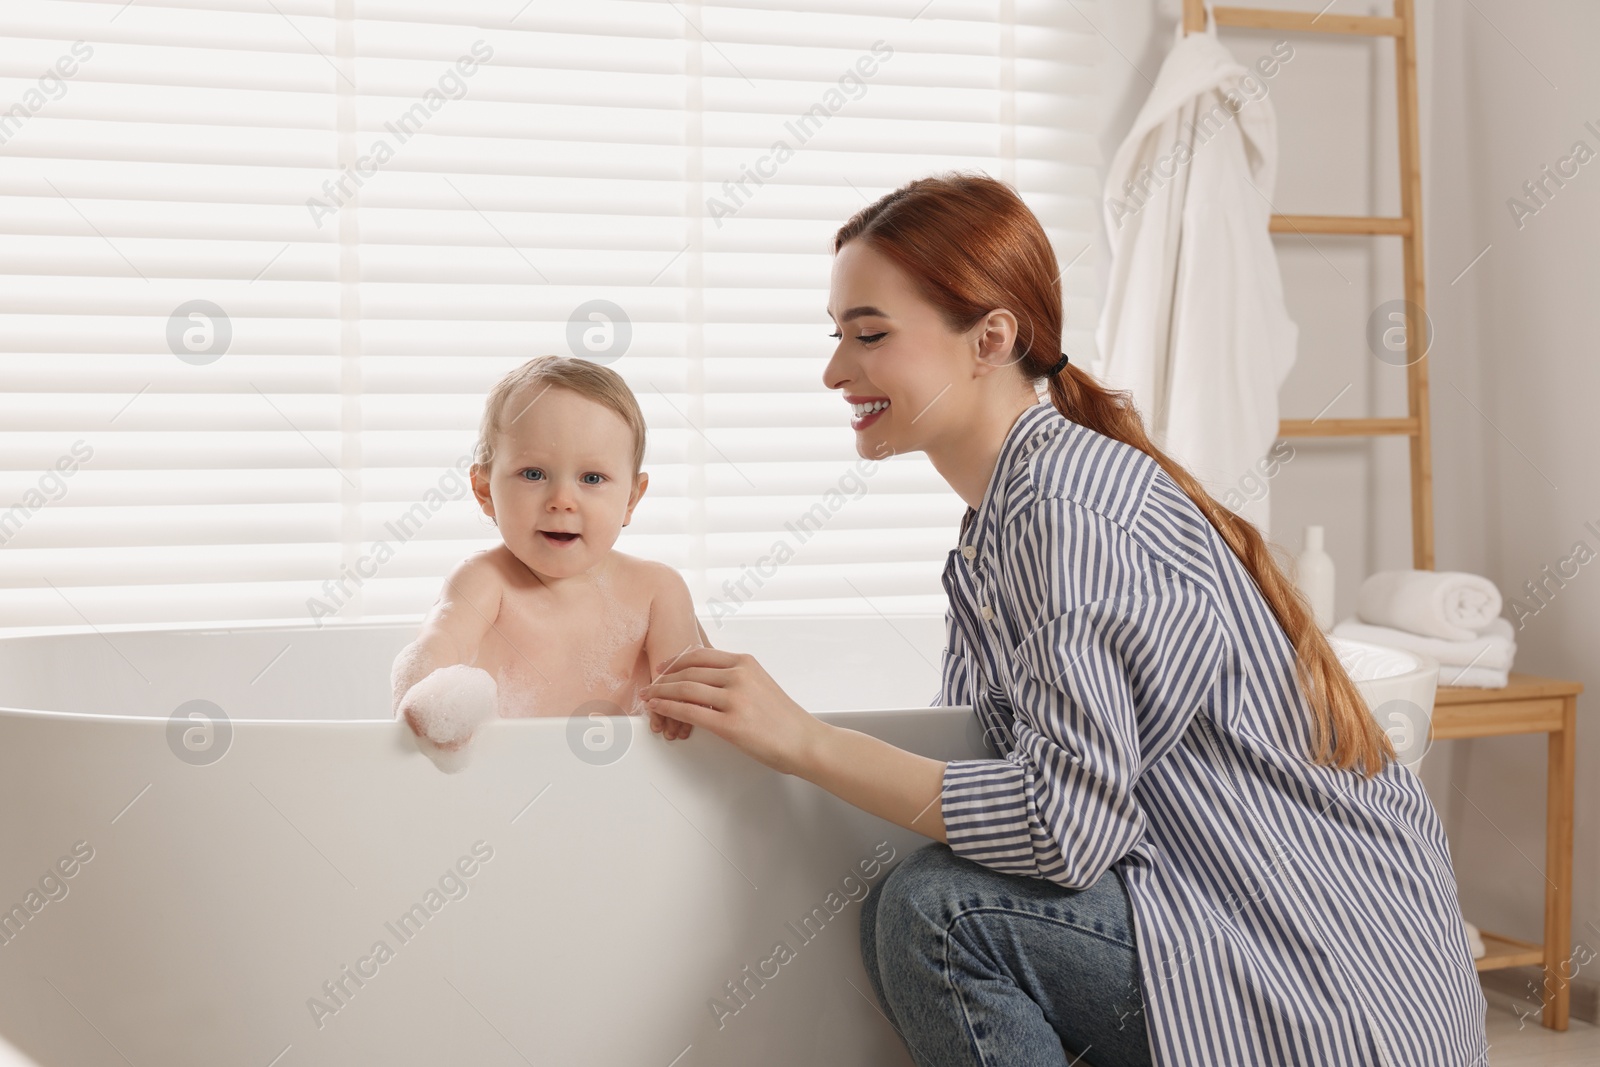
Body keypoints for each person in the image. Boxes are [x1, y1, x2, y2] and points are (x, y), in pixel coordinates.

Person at [638, 173, 1489, 1066]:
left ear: (992, 337)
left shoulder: (1060, 505)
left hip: (1326, 982)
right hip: (1263, 934)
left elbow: (1064, 825)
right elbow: (994, 777)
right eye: (836, 335)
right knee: (941, 892)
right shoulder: (1002, 524)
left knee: (939, 913)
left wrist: (802, 740)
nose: (835, 370)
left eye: (871, 335)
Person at [393, 355, 705, 759]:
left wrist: (690, 711)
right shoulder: (485, 581)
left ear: (631, 499)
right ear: (485, 490)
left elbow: (698, 692)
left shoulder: (657, 590)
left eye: (591, 478)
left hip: (626, 785)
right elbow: (437, 645)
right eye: (533, 474)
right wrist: (426, 702)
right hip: (503, 782)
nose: (561, 501)